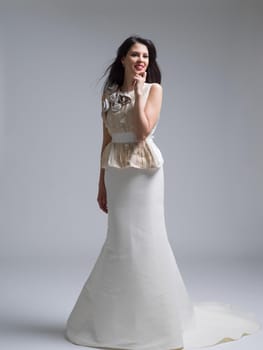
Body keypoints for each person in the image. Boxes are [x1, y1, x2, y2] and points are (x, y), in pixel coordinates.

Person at [65, 35, 261, 350]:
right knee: (118, 241)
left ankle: (156, 321)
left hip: (145, 173)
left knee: (147, 239)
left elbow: (143, 131)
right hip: (116, 170)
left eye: (145, 56)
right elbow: (106, 141)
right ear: (123, 60)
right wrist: (100, 183)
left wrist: (140, 92)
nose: (141, 60)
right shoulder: (109, 95)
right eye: (134, 54)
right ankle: (114, 320)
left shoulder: (154, 90)